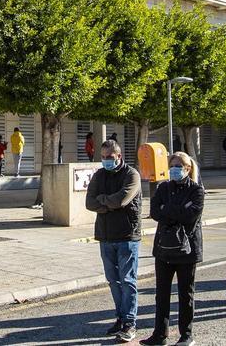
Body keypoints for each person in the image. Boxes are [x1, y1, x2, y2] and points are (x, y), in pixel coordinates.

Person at [141, 152, 203, 346]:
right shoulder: (163, 187)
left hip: (187, 249)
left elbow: (191, 216)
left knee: (186, 293)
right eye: (172, 165)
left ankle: (186, 335)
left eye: (178, 166)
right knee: (162, 293)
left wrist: (167, 210)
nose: (174, 169)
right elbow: (154, 212)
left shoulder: (196, 190)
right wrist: (176, 210)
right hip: (164, 248)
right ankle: (160, 334)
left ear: (187, 168)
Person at [85, 140, 142, 343]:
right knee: (113, 281)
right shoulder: (100, 175)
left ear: (119, 156)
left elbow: (122, 199)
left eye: (109, 157)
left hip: (127, 236)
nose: (106, 161)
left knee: (128, 281)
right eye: (103, 157)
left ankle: (130, 322)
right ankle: (120, 317)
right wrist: (107, 203)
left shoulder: (131, 175)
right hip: (105, 235)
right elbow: (89, 202)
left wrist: (103, 200)